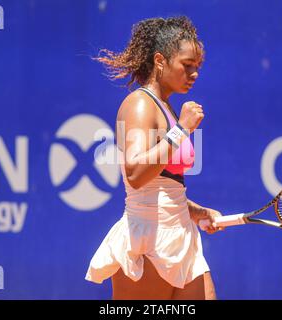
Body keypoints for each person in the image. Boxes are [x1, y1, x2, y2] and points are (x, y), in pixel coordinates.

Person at [85, 16, 224, 300]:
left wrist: (198, 213)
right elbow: (136, 174)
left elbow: (164, 185)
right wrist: (182, 130)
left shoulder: (167, 108)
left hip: (182, 235)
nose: (194, 73)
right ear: (160, 61)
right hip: (148, 241)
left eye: (197, 67)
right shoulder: (139, 105)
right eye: (187, 65)